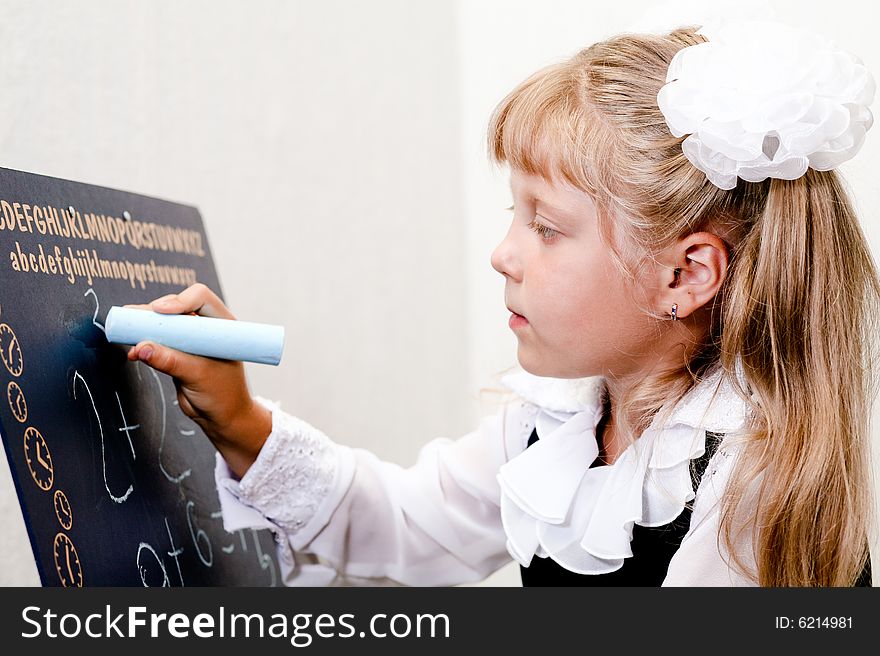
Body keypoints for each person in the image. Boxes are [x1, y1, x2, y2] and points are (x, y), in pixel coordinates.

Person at [126, 20, 878, 586]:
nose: (503, 254)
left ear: (683, 276)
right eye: (513, 216)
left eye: (546, 227)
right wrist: (241, 422)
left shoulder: (748, 485)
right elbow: (406, 524)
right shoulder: (560, 419)